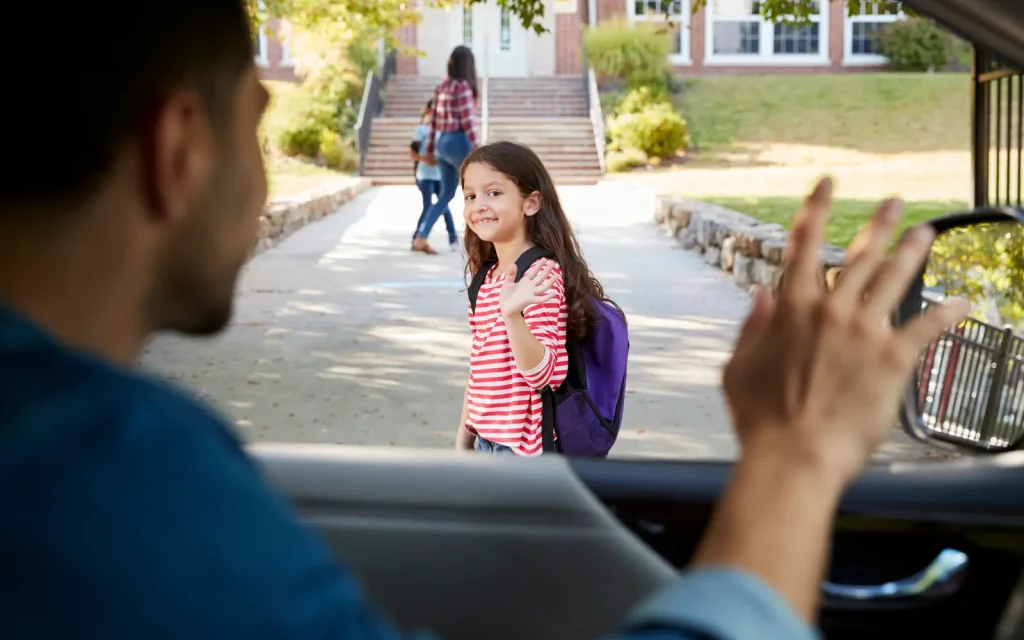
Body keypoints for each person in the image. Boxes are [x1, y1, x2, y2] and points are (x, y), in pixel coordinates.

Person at [0, 1, 970, 638]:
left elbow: (540, 369)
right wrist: (796, 456)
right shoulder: (117, 471)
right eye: (257, 121)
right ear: (179, 149)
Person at [453, 142, 619, 456]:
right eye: (470, 196)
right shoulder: (486, 279)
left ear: (530, 203)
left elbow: (545, 375)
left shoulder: (540, 275)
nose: (479, 205)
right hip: (488, 442)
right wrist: (464, 439)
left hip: (522, 452)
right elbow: (480, 369)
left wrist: (512, 315)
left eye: (494, 193)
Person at [411, 46, 478, 256]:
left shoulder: (441, 87)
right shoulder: (463, 87)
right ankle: (482, 241)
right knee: (478, 190)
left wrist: (430, 149)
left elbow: (434, 123)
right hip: (458, 141)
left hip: (442, 143)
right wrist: (478, 148)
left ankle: (421, 237)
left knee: (447, 194)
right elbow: (468, 121)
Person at [410, 100, 458, 252]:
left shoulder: (445, 131)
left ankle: (453, 239)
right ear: (429, 111)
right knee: (428, 207)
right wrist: (426, 159)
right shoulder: (422, 130)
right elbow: (413, 153)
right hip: (425, 175)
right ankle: (417, 238)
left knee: (444, 206)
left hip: (442, 175)